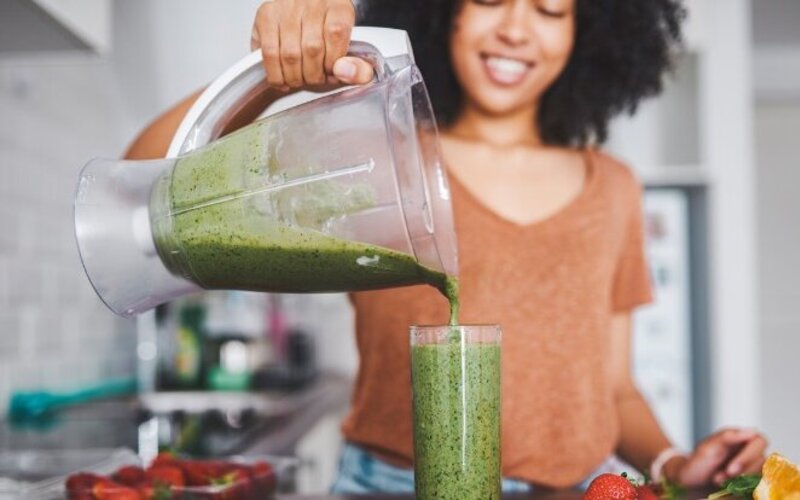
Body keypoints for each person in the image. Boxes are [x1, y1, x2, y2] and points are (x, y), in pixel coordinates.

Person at [127, 0, 769, 493]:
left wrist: (674, 463)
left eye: (549, 9)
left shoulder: (613, 188)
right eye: (490, 0)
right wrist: (275, 77)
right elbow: (143, 187)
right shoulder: (374, 152)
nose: (517, 29)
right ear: (444, 11)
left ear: (589, 31)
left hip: (582, 489)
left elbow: (614, 388)